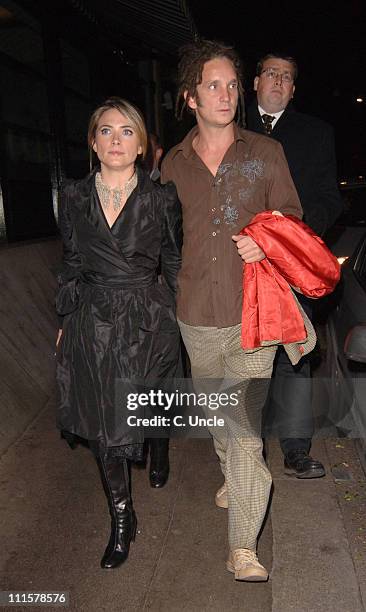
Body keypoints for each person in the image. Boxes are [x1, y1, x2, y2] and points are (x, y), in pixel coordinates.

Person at [161, 39, 309, 582]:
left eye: (230, 85)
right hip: (195, 312)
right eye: (211, 86)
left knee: (245, 430)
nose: (225, 95)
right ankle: (229, 466)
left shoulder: (265, 154)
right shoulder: (172, 164)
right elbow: (161, 242)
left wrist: (266, 242)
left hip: (254, 313)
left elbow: (292, 220)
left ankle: (242, 546)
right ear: (190, 97)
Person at [55, 97, 182, 569]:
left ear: (142, 144)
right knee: (105, 425)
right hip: (93, 320)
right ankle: (123, 518)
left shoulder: (161, 197)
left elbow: (172, 262)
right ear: (92, 142)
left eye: (127, 132)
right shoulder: (71, 196)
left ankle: (160, 445)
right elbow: (69, 262)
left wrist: (175, 317)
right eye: (105, 131)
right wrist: (64, 320)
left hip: (146, 318)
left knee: (147, 408)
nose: (115, 140)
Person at [246, 53, 344, 478]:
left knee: (294, 353)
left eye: (287, 77)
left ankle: (296, 449)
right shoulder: (228, 127)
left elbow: (329, 197)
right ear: (254, 82)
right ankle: (242, 451)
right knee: (243, 354)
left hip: (292, 263)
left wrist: (298, 234)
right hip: (240, 261)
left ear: (293, 88)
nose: (279, 81)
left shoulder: (316, 133)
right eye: (272, 73)